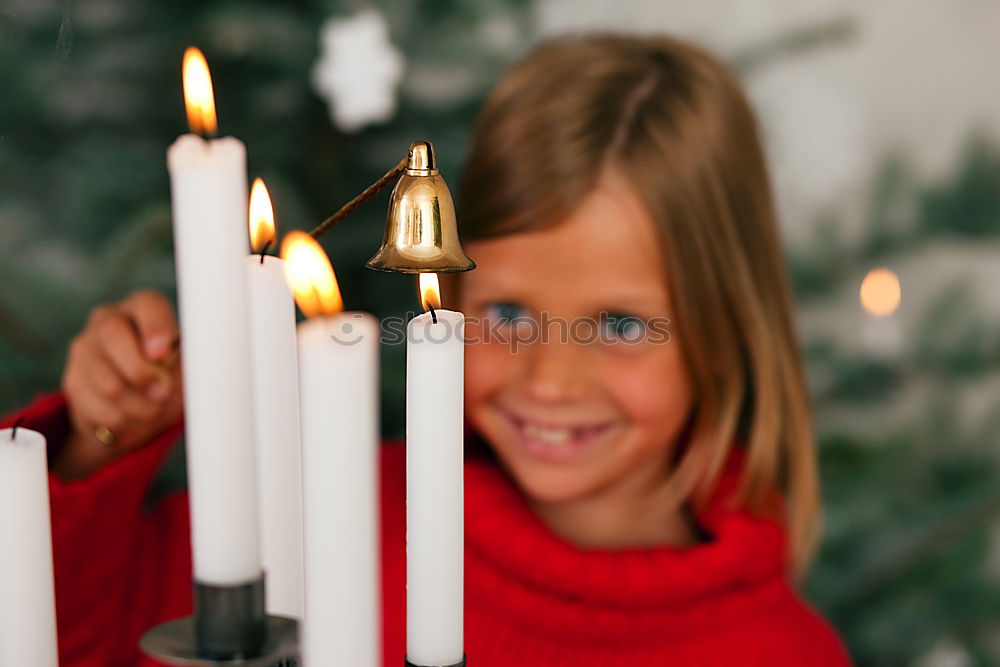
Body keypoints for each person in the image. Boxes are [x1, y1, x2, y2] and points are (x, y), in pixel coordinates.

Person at [4, 34, 852, 666]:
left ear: (725, 332)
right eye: (509, 311)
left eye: (622, 326)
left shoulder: (779, 650)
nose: (550, 378)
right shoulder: (326, 505)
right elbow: (65, 630)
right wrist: (99, 436)